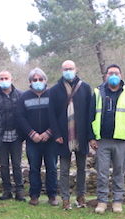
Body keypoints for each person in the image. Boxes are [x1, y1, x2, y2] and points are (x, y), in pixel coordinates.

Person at [90, 64, 125, 213]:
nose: (113, 76)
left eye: (116, 73)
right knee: (102, 173)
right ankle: (102, 202)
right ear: (106, 76)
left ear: (121, 76)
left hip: (121, 140)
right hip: (102, 140)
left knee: (119, 172)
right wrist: (91, 137)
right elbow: (90, 116)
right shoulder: (97, 93)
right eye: (110, 73)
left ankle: (117, 202)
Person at [50, 60, 94, 209]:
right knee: (64, 170)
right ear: (61, 71)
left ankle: (81, 197)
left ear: (76, 70)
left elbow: (90, 113)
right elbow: (51, 114)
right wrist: (56, 134)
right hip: (63, 136)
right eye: (65, 69)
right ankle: (65, 199)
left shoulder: (86, 88)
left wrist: (90, 135)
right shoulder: (55, 90)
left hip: (81, 135)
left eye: (71, 68)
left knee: (82, 168)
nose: (68, 71)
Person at [17, 68, 58, 206]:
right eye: (35, 80)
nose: (38, 82)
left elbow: (58, 115)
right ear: (30, 82)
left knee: (51, 167)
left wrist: (49, 132)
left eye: (40, 79)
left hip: (50, 139)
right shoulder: (24, 97)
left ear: (45, 80)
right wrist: (31, 133)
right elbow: (20, 117)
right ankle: (34, 195)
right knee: (34, 168)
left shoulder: (53, 95)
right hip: (32, 140)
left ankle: (52, 195)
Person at [0, 70, 26, 202]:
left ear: (12, 79)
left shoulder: (21, 95)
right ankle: (7, 190)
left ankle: (19, 191)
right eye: (1, 78)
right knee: (3, 165)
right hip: (0, 136)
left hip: (16, 135)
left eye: (6, 78)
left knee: (17, 164)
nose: (4, 80)